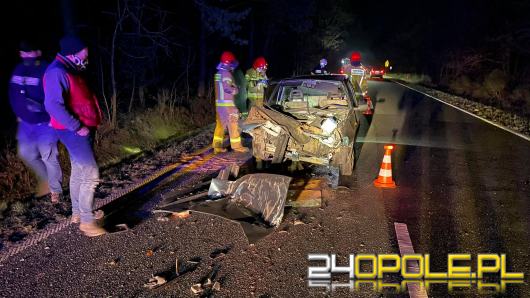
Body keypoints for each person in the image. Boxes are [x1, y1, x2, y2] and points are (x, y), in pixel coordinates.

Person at [44, 35, 106, 237]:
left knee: (79, 170)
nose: (87, 55)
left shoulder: (71, 68)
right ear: (72, 52)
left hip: (81, 129)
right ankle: (87, 222)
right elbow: (52, 105)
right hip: (72, 131)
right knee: (91, 173)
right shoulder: (57, 72)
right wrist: (76, 126)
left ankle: (78, 213)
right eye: (84, 51)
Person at [8, 41, 63, 203]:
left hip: (46, 123)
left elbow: (56, 95)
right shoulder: (18, 69)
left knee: (48, 156)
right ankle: (46, 180)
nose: (25, 56)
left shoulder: (46, 69)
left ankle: (55, 191)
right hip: (25, 123)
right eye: (22, 53)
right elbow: (12, 92)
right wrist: (18, 112)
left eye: (29, 53)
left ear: (37, 52)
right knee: (25, 153)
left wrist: (54, 116)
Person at [212, 51, 249, 154]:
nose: (233, 66)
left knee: (220, 126)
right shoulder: (227, 74)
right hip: (228, 105)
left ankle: (217, 147)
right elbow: (227, 88)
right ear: (229, 63)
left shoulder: (218, 74)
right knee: (233, 125)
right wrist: (235, 90)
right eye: (232, 64)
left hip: (219, 106)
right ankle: (237, 146)